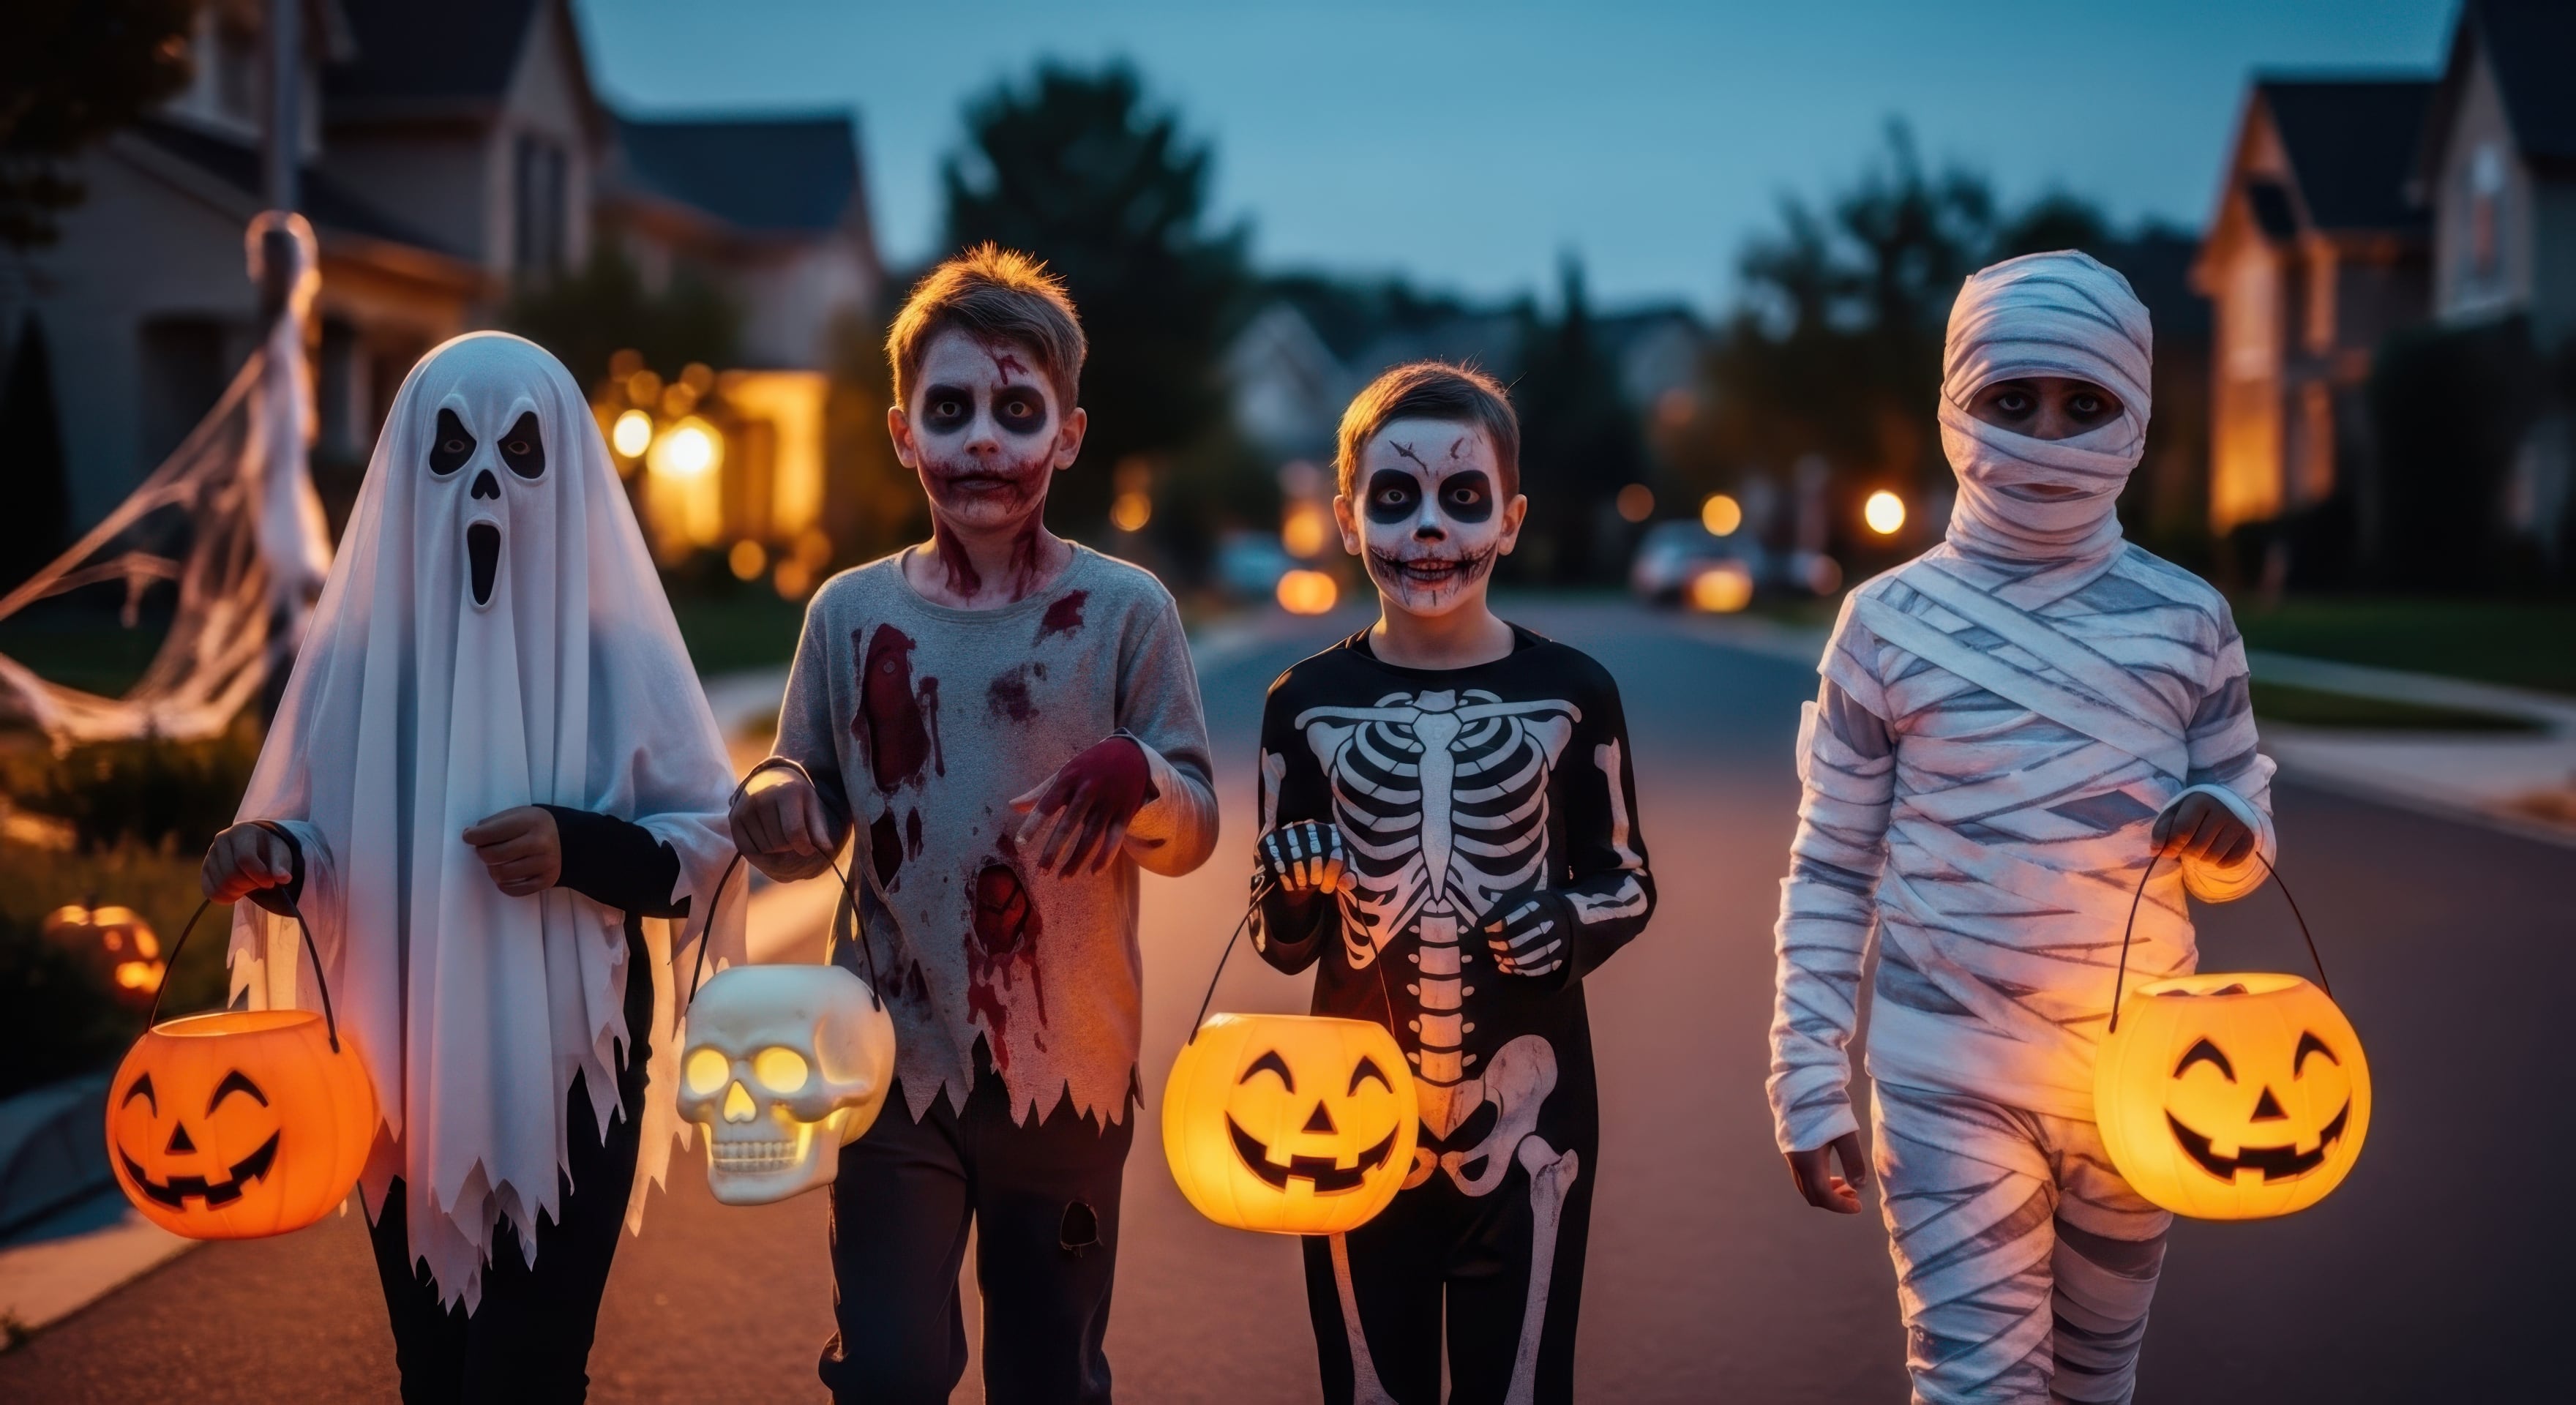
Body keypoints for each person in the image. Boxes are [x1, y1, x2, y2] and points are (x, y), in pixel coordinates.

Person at [1767, 250, 2278, 1404]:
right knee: (1977, 1387)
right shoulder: (1887, 623)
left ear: (2135, 416)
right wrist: (1807, 1075)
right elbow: (1833, 862)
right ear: (1958, 404)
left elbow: (2248, 831)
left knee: (2097, 1380)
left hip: (2140, 1076)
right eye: (2014, 400)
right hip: (1947, 1071)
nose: (2047, 433)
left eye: (2084, 403)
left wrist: (2229, 830)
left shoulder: (2190, 621)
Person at [201, 331, 744, 1402]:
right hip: (397, 1055)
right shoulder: (359, 663)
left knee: (530, 1370)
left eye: (521, 453)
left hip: (571, 1063)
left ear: (569, 471)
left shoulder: (616, 653)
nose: (486, 485)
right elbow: (320, 846)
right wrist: (272, 854)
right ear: (407, 472)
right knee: (433, 1368)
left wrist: (576, 844)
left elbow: (708, 841)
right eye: (451, 451)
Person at [727, 244, 1218, 1404]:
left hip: (1071, 1069)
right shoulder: (850, 616)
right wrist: (773, 803)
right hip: (889, 1062)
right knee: (891, 1370)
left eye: (1016, 410)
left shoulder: (1126, 613)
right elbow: (808, 802)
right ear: (905, 433)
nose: (983, 441)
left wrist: (1137, 774)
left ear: (1068, 434)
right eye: (950, 411)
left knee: (1050, 1372)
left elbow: (1193, 825)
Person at [1247, 361, 1655, 1405]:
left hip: (1534, 1122)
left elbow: (1627, 881)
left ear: (1510, 520)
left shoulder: (1572, 694)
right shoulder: (1304, 705)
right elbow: (1280, 941)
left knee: (1521, 1389)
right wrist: (1295, 888)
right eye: (1396, 497)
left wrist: (1564, 918)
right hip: (1349, 1115)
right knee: (1366, 1390)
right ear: (1347, 519)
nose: (1429, 529)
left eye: (1461, 498)